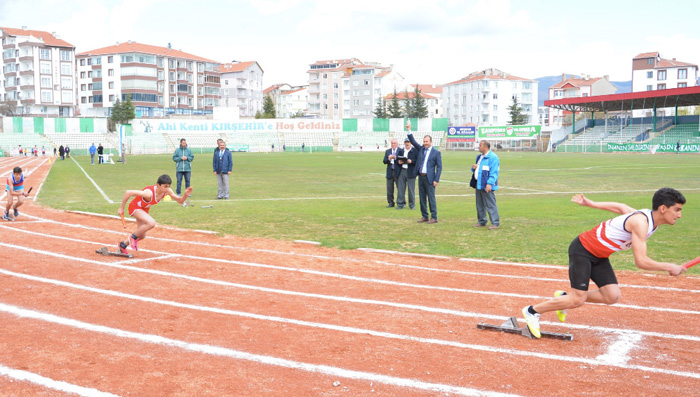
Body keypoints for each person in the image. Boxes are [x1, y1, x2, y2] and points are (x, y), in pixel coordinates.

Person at [521, 188, 686, 339]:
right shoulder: (640, 222)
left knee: (611, 296)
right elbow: (641, 261)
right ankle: (532, 311)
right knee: (577, 300)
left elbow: (620, 207)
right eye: (677, 210)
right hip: (583, 249)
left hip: (600, 255)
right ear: (663, 208)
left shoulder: (647, 219)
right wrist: (670, 267)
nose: (679, 215)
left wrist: (592, 204)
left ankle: (564, 298)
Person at [117, 174, 191, 255]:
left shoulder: (167, 191)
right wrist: (121, 208)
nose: (167, 189)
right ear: (158, 185)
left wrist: (185, 195)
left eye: (168, 186)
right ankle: (133, 237)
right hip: (135, 207)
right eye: (165, 186)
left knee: (141, 235)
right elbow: (128, 192)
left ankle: (123, 245)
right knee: (151, 223)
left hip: (144, 209)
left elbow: (180, 201)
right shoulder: (148, 193)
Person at [406, 128, 442, 223]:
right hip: (421, 177)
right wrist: (409, 130)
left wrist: (436, 180)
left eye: (427, 141)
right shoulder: (421, 149)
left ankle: (434, 217)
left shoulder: (436, 153)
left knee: (431, 198)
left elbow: (439, 167)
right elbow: (413, 141)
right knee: (422, 198)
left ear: (431, 142)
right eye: (424, 141)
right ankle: (424, 216)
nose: (425, 143)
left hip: (430, 178)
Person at [472, 140, 500, 230]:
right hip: (479, 184)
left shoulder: (493, 157)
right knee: (479, 204)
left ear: (486, 147)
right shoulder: (480, 157)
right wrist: (474, 168)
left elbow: (494, 172)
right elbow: (479, 169)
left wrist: (489, 183)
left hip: (487, 184)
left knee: (490, 204)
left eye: (480, 145)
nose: (478, 147)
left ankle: (495, 222)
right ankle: (482, 221)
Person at [396, 138, 418, 210]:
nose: (407, 143)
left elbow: (417, 161)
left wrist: (411, 161)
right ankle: (400, 204)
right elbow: (397, 160)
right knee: (401, 189)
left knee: (411, 189)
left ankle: (412, 205)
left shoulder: (415, 151)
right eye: (406, 142)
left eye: (408, 142)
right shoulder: (401, 151)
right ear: (404, 143)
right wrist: (399, 162)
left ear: (411, 143)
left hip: (411, 171)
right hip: (402, 170)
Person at [383, 139, 401, 208]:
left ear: (397, 144)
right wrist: (389, 159)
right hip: (390, 172)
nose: (393, 144)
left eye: (394, 143)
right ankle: (391, 202)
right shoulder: (388, 151)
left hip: (397, 172)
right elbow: (384, 161)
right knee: (389, 189)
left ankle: (401, 202)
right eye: (392, 143)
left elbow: (402, 159)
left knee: (400, 188)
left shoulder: (400, 151)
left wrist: (395, 158)